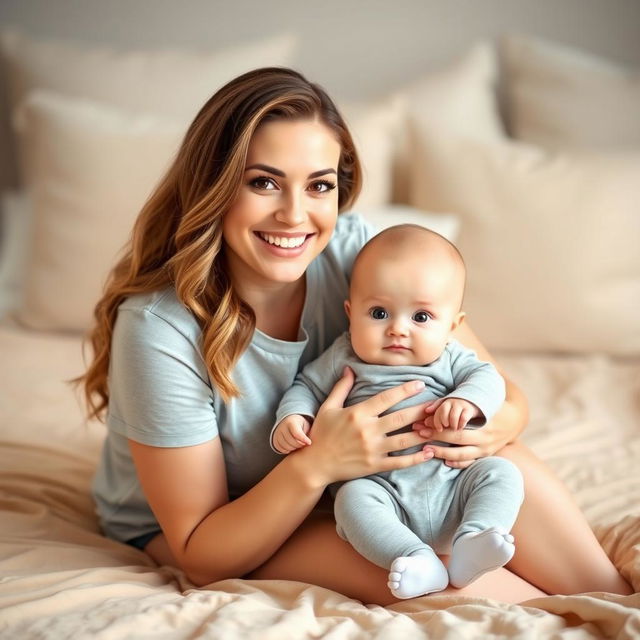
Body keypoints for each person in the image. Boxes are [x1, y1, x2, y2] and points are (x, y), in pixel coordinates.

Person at [76, 66, 632, 604]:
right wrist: (319, 463)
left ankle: (614, 602)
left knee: (512, 479)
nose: (296, 216)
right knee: (449, 588)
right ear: (214, 185)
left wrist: (487, 430)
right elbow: (201, 552)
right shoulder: (159, 330)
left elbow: (499, 392)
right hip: (226, 526)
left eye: (318, 185)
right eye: (264, 182)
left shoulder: (351, 252)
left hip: (349, 484)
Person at [270, 224, 525, 599]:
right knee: (349, 500)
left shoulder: (452, 357)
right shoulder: (344, 356)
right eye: (378, 312)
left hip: (454, 485)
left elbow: (489, 378)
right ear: (350, 312)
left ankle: (473, 540)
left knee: (502, 473)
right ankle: (414, 559)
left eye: (420, 318)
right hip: (381, 492)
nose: (397, 330)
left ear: (452, 325)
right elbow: (305, 388)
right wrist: (293, 418)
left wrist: (468, 401)